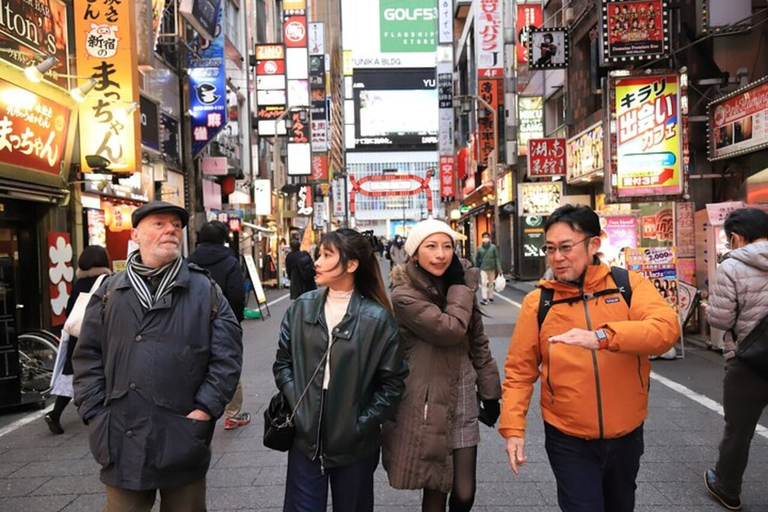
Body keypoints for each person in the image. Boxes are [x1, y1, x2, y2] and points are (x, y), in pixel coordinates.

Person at [500, 204, 679, 512]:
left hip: (627, 433)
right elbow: (519, 372)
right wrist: (513, 430)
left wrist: (603, 337)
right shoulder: (538, 303)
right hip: (567, 437)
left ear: (594, 244)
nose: (557, 257)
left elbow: (665, 331)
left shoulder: (628, 286)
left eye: (566, 247)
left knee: (621, 505)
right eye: (551, 249)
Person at [73, 201, 243, 512]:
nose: (170, 231)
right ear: (136, 235)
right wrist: (95, 411)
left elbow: (227, 358)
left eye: (176, 226)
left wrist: (205, 410)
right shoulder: (110, 291)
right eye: (159, 224)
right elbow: (87, 356)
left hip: (183, 433)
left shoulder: (205, 289)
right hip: (121, 434)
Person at [273, 228, 407, 512]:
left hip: (355, 444)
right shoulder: (301, 309)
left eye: (326, 255)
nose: (316, 262)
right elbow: (283, 363)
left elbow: (392, 384)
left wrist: (361, 423)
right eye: (318, 254)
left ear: (351, 264)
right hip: (305, 439)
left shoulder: (378, 319)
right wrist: (299, 404)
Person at [382, 219, 501, 512]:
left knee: (464, 493)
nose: (441, 254)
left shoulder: (459, 284)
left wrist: (490, 392)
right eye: (431, 246)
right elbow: (449, 330)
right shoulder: (404, 293)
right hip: (427, 399)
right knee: (435, 490)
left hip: (462, 392)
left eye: (447, 246)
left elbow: (478, 341)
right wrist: (460, 287)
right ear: (415, 253)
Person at [705, 208, 768, 511]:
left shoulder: (731, 266)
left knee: (739, 431)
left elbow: (719, 320)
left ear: (736, 237)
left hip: (750, 361)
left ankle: (727, 488)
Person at [189, 220, 251, 431]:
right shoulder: (230, 260)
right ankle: (232, 415)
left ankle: (197, 410)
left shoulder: (190, 260)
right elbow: (235, 293)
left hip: (194, 320)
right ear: (223, 238)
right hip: (224, 320)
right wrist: (235, 319)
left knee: (195, 363)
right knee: (227, 362)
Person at [45, 245, 111, 435]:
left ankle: (55, 414)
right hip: (99, 334)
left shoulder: (79, 282)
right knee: (104, 372)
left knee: (74, 375)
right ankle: (98, 414)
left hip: (77, 335)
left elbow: (69, 311)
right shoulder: (107, 280)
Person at [475, 232, 502, 305]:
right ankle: (484, 298)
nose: (486, 238)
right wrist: (476, 268)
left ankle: (491, 297)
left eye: (487, 237)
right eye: (484, 237)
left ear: (489, 238)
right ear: (482, 238)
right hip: (483, 268)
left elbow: (496, 258)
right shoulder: (479, 248)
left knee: (491, 283)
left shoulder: (493, 247)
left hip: (492, 267)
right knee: (483, 283)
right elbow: (477, 259)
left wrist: (499, 268)